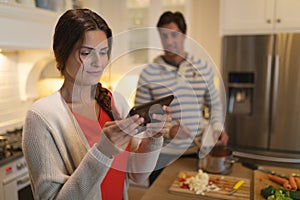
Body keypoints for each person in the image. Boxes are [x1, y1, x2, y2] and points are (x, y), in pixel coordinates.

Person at [22, 9, 171, 200]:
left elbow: (137, 174)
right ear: (62, 53)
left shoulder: (116, 102)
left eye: (103, 52)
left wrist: (153, 138)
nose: (98, 62)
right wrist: (103, 152)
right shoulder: (41, 117)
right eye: (86, 53)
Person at [134, 11, 229, 185]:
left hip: (196, 153)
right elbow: (140, 119)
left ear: (184, 35)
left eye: (174, 35)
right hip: (161, 156)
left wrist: (217, 127)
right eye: (164, 36)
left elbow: (215, 103)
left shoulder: (202, 68)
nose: (169, 41)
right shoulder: (149, 73)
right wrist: (169, 130)